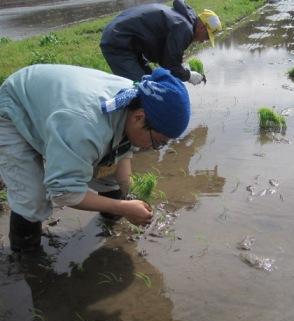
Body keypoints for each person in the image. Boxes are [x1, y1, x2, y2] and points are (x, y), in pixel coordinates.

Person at [0, 64, 191, 253]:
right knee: (33, 197)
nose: (154, 148)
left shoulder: (138, 101)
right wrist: (125, 208)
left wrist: (129, 191)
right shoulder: (84, 126)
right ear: (139, 118)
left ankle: (110, 219)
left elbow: (123, 151)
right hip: (14, 108)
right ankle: (26, 259)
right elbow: (63, 192)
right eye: (157, 142)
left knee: (111, 175)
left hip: (55, 106)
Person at [100, 0, 222, 84]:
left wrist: (180, 67)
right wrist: (188, 76)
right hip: (118, 42)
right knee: (143, 91)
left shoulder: (184, 21)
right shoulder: (184, 28)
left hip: (128, 42)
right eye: (206, 37)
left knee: (155, 83)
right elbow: (169, 65)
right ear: (202, 27)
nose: (202, 41)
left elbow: (167, 59)